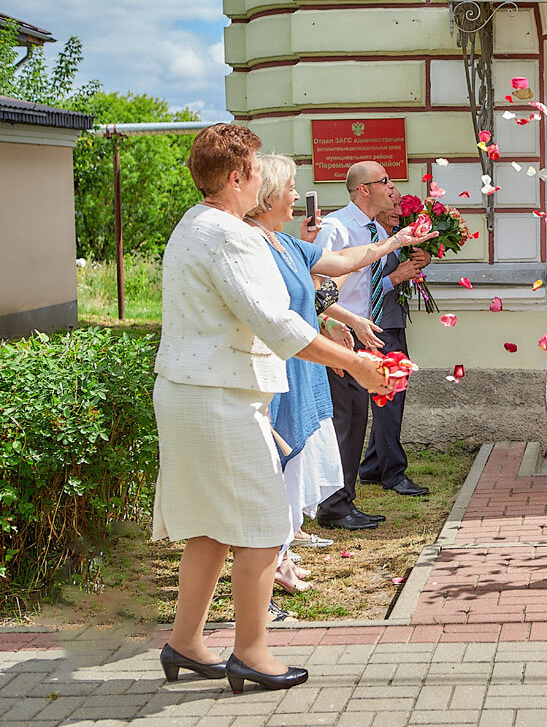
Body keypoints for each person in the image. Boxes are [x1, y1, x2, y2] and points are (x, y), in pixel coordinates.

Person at [153, 124, 390, 693]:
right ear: (236, 178)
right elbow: (276, 323)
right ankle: (252, 652)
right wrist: (353, 363)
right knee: (263, 524)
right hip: (220, 398)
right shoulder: (229, 236)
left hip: (193, 390)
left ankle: (186, 643)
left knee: (209, 528)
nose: (263, 180)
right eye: (257, 170)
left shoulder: (195, 224)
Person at [244, 155, 433, 594]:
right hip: (306, 349)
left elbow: (347, 265)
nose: (297, 196)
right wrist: (339, 323)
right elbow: (313, 290)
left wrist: (394, 244)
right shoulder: (273, 241)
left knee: (330, 430)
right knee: (323, 431)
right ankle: (313, 522)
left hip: (330, 340)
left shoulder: (298, 241)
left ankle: (290, 542)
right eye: (290, 189)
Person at [311, 161, 424, 531]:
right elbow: (318, 284)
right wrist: (340, 325)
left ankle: (344, 499)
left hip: (365, 332)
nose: (392, 188)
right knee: (346, 420)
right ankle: (333, 505)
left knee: (358, 418)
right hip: (339, 336)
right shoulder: (336, 227)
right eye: (385, 182)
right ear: (364, 189)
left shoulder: (376, 229)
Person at [361, 199, 434, 490]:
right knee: (389, 399)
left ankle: (371, 465)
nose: (398, 210)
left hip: (393, 322)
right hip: (377, 326)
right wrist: (395, 278)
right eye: (392, 204)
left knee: (392, 395)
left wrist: (421, 259)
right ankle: (394, 474)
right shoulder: (371, 240)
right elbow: (358, 288)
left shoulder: (396, 236)